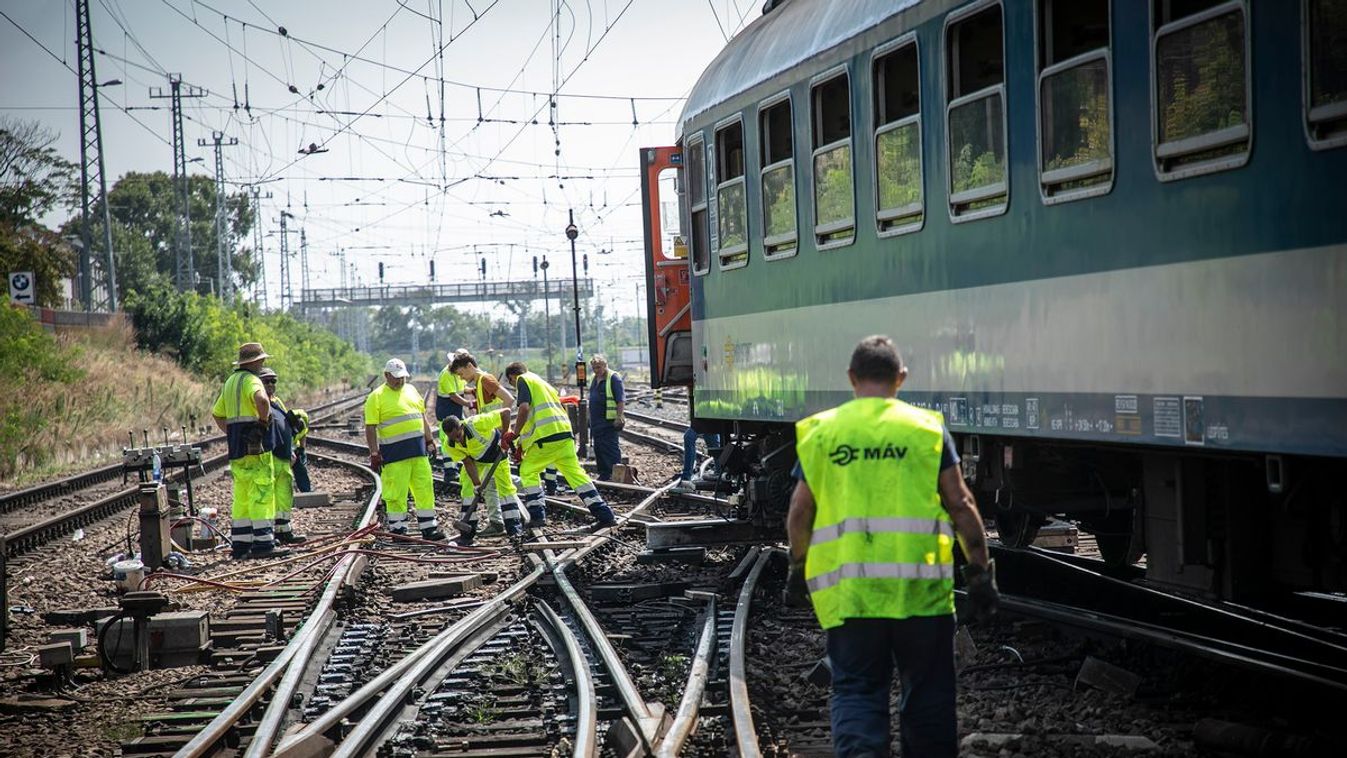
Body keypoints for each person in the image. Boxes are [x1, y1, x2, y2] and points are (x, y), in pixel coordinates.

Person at [785, 335, 999, 758]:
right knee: (928, 694)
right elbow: (961, 504)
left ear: (851, 378)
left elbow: (799, 510)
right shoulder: (925, 429)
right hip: (921, 598)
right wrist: (979, 572)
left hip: (852, 600)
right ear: (901, 378)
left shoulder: (824, 431)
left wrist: (797, 567)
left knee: (857, 691)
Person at [502, 362, 616, 528]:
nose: (514, 386)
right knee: (577, 477)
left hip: (547, 438)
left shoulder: (523, 380)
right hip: (564, 436)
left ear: (512, 376)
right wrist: (521, 445)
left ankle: (537, 515)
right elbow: (537, 417)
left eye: (511, 383)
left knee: (528, 471)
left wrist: (515, 433)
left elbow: (524, 409)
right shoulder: (543, 384)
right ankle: (605, 515)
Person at [210, 342, 284, 559]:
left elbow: (217, 413)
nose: (263, 363)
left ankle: (241, 544)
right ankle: (263, 544)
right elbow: (261, 400)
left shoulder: (230, 382)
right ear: (255, 362)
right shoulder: (252, 380)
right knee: (261, 493)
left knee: (241, 496)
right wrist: (262, 424)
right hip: (256, 450)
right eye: (261, 360)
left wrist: (232, 434)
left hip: (237, 450)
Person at [364, 358, 446, 540]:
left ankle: (429, 528)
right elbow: (370, 427)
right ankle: (398, 531)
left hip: (418, 452)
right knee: (396, 494)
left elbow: (422, 417)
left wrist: (430, 441)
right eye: (396, 378)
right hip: (394, 455)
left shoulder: (411, 390)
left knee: (424, 488)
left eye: (402, 377)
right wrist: (374, 453)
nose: (400, 381)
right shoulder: (376, 397)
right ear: (386, 375)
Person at [440, 409, 525, 539]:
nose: (457, 441)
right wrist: (477, 485)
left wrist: (504, 437)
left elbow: (505, 412)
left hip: (497, 452)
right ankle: (468, 532)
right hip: (477, 460)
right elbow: (468, 463)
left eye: (458, 436)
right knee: (468, 489)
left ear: (461, 427)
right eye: (453, 438)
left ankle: (514, 529)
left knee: (506, 489)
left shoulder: (477, 423)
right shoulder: (450, 445)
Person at [260, 368, 307, 544]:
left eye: (273, 381)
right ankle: (266, 534)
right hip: (268, 456)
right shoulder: (258, 402)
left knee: (284, 495)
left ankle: (284, 530)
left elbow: (284, 427)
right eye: (267, 381)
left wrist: (291, 450)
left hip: (283, 457)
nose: (271, 384)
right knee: (267, 496)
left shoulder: (277, 402)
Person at [430, 349, 473, 484]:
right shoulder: (447, 374)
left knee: (455, 440)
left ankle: (454, 469)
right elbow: (453, 395)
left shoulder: (455, 374)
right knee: (448, 442)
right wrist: (469, 403)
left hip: (455, 411)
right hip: (446, 412)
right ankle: (450, 472)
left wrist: (470, 390)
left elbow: (461, 388)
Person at [587, 354, 625, 481]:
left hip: (609, 421)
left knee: (610, 448)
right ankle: (604, 473)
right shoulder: (593, 378)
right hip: (596, 421)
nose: (596, 370)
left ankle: (615, 474)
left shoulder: (614, 378)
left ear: (605, 365)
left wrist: (619, 417)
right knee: (599, 447)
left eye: (598, 367)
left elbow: (620, 400)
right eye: (594, 368)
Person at [449, 351, 513, 415]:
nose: (461, 378)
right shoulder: (479, 382)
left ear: (469, 366)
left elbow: (509, 399)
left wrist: (502, 422)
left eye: (461, 374)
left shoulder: (485, 379)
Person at [674, 423, 721, 492]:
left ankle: (720, 472)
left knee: (690, 437)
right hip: (704, 418)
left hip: (709, 418)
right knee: (710, 440)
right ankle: (720, 472)